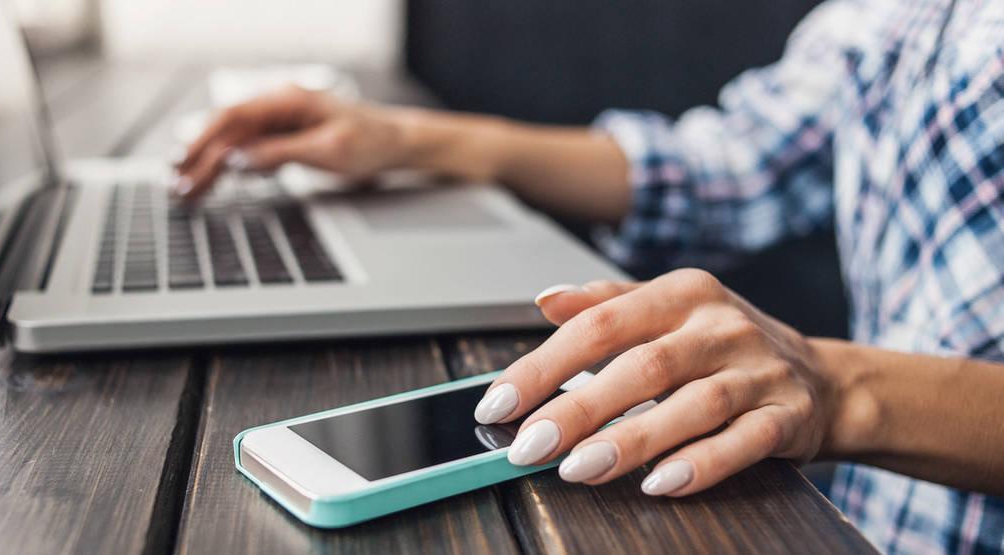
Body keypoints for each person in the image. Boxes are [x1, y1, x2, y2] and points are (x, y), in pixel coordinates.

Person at [177, 0, 1004, 551]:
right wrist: (410, 141)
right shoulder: (897, 14)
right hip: (855, 523)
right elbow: (726, 165)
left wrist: (837, 388)